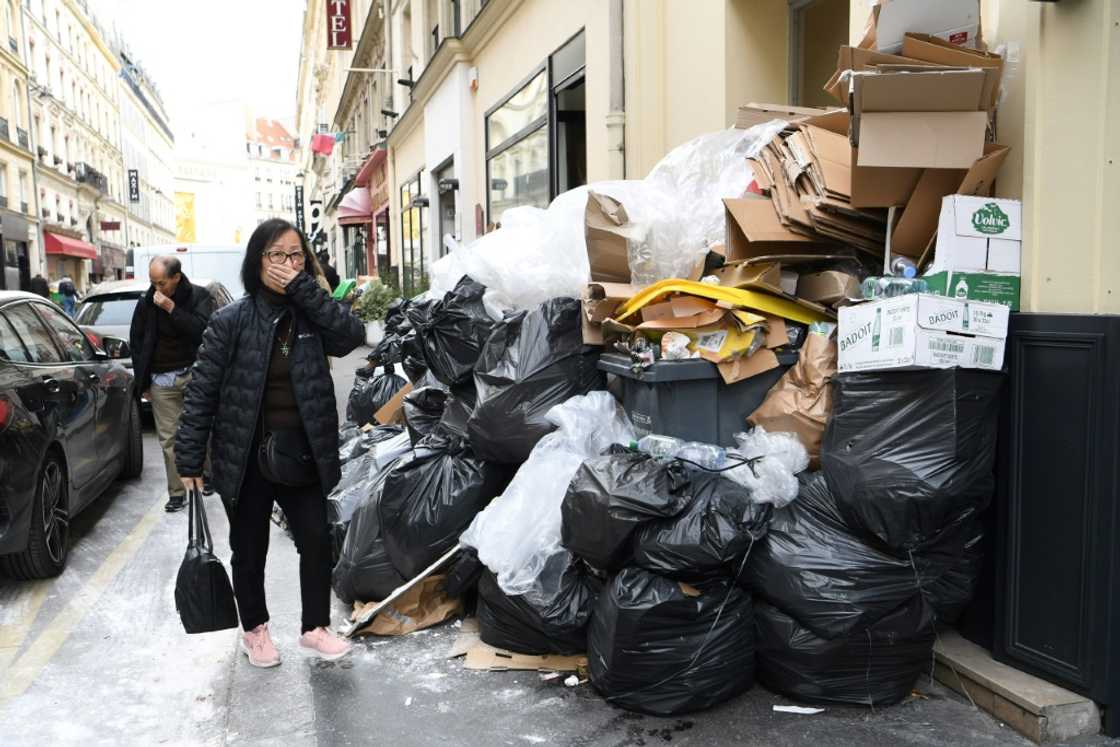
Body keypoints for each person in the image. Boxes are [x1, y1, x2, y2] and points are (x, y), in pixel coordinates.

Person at [175, 218, 364, 667]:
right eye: (277, 255)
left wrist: (305, 289)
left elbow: (351, 336)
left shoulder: (312, 315)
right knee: (250, 546)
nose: (287, 263)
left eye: (296, 255)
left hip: (302, 451)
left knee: (317, 540)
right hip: (244, 456)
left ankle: (315, 627)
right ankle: (255, 630)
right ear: (257, 260)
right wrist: (189, 458)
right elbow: (202, 390)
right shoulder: (230, 321)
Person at [129, 257, 214, 512]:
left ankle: (207, 476)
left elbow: (203, 330)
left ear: (176, 277)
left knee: (202, 429)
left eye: (161, 282)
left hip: (194, 375)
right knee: (169, 439)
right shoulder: (147, 301)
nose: (156, 288)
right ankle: (177, 492)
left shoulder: (198, 296)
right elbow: (137, 341)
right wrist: (143, 381)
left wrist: (171, 308)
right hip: (160, 380)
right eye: (153, 282)